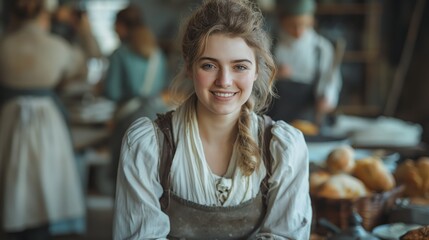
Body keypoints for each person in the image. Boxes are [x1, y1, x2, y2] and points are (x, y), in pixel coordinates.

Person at [113, 0, 311, 239]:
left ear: (257, 70)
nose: (224, 81)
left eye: (239, 67)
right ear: (189, 67)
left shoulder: (282, 149)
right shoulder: (148, 146)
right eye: (209, 65)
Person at [0, 0, 85, 239]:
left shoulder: (4, 44)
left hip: (8, 120)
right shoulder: (57, 46)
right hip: (47, 121)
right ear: (45, 17)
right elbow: (80, 67)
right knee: (46, 181)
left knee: (11, 182)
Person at [101, 4, 168, 194]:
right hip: (157, 115)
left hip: (127, 118)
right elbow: (162, 85)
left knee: (124, 174)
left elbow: (112, 92)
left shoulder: (120, 53)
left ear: (122, 26)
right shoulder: (157, 54)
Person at [268, 0, 342, 126]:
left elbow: (330, 80)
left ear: (311, 21)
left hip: (309, 120)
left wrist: (327, 99)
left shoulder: (321, 48)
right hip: (274, 120)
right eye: (292, 25)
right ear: (282, 21)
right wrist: (274, 74)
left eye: (303, 24)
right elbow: (256, 83)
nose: (298, 30)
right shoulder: (270, 44)